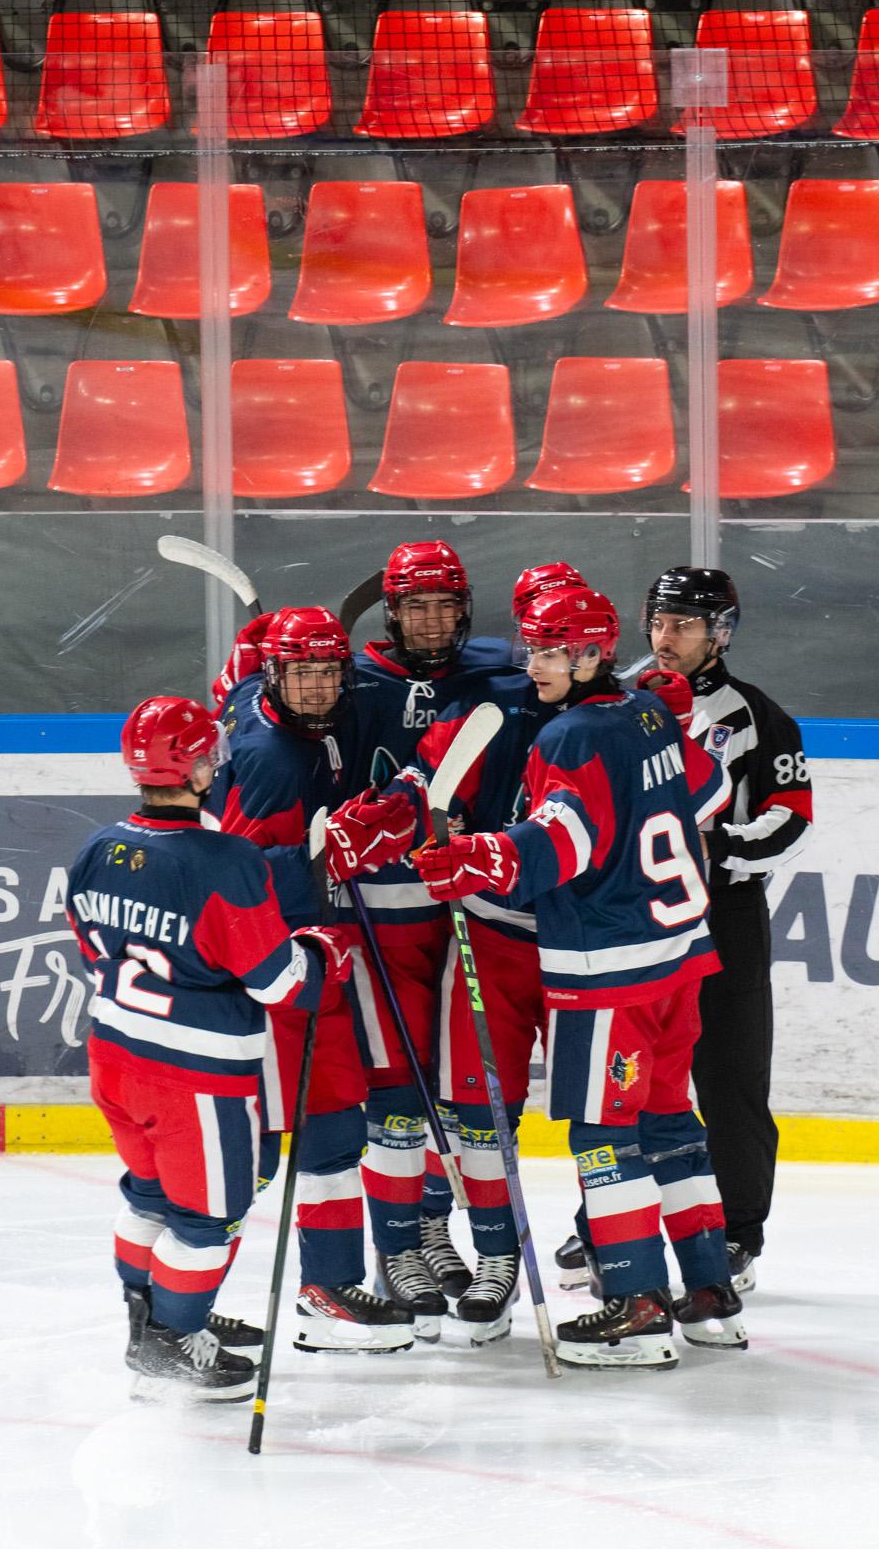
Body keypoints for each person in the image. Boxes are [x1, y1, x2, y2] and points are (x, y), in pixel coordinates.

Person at [416, 584, 745, 1370]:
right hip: (678, 959)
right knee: (668, 1123)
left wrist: (473, 859)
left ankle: (635, 1307)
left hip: (610, 972)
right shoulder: (648, 712)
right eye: (533, 648)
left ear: (595, 653)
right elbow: (712, 790)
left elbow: (560, 845)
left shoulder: (568, 736)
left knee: (603, 1134)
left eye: (555, 651)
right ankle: (706, 1291)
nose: (538, 664)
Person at [66, 695, 351, 1402]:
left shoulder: (97, 847)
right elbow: (279, 984)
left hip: (115, 1055)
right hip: (193, 1077)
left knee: (149, 1195)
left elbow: (89, 946)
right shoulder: (226, 861)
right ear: (196, 768)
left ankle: (150, 1316)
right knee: (205, 1219)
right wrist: (321, 955)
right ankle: (172, 1338)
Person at [327, 562, 580, 1342]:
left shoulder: (506, 673)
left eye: (445, 607)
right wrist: (245, 693)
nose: (432, 622)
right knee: (400, 1094)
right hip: (388, 916)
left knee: (474, 1098)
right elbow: (299, 737)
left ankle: (489, 1248)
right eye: (416, 608)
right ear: (392, 613)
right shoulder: (353, 681)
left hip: (478, 917)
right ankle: (417, 1240)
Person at [210, 608, 415, 1354]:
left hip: (317, 968)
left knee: (331, 1131)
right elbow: (235, 877)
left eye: (330, 671)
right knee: (258, 1152)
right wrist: (318, 855)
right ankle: (175, 1303)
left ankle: (327, 1289)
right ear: (276, 676)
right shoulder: (273, 759)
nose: (321, 687)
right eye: (302, 673)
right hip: (274, 975)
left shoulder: (260, 702)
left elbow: (232, 691)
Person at [643, 566, 812, 1291]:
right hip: (641, 918)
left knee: (730, 1077)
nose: (666, 636)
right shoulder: (625, 707)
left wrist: (718, 849)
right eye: (659, 620)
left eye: (683, 623)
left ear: (720, 633)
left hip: (723, 917)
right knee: (637, 1076)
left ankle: (737, 1230)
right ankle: (611, 1219)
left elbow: (792, 820)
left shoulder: (757, 716)